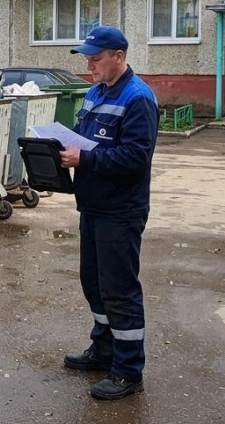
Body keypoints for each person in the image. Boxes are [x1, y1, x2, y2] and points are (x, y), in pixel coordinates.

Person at [57, 26, 158, 401]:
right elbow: (84, 133)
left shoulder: (138, 98)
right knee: (94, 284)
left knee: (120, 290)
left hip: (121, 209)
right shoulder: (95, 92)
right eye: (87, 58)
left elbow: (135, 156)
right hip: (94, 205)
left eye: (96, 58)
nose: (90, 64)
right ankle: (103, 350)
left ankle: (129, 370)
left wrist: (84, 157)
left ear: (119, 55)